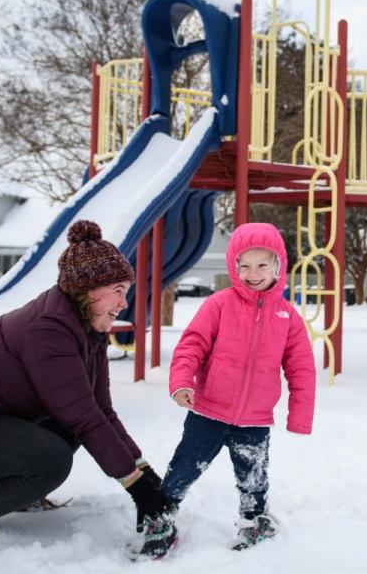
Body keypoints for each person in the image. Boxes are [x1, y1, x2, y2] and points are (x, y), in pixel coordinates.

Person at [0, 220, 172, 550]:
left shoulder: (86, 328)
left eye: (125, 291)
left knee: (67, 428)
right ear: (86, 291)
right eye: (117, 291)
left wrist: (141, 469)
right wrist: (137, 488)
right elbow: (83, 416)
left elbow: (100, 410)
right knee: (51, 458)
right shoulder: (48, 330)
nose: (123, 303)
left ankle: (16, 493)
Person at [145, 222, 316, 554]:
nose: (253, 273)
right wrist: (182, 381)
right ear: (234, 267)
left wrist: (300, 416)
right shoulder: (219, 304)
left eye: (262, 265)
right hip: (209, 410)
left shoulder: (287, 317)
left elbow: (302, 369)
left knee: (253, 478)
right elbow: (191, 344)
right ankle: (162, 516)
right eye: (244, 265)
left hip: (255, 420)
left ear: (278, 265)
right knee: (184, 467)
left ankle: (254, 522)